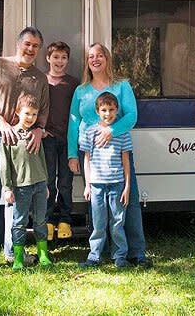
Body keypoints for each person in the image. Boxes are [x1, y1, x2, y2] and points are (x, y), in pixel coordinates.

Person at [68, 42, 152, 268]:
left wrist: (111, 130)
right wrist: (72, 153)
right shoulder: (81, 90)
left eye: (99, 55)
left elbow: (132, 116)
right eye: (90, 56)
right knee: (97, 206)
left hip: (119, 152)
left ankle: (135, 253)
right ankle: (99, 253)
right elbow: (74, 122)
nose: (95, 59)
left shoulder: (121, 85)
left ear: (107, 59)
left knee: (128, 203)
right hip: (92, 156)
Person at [0, 27, 49, 273]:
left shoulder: (40, 77)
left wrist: (38, 130)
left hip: (22, 145)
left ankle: (12, 252)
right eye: (27, 44)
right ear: (18, 44)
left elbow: (44, 111)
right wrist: (1, 121)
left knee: (16, 201)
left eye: (36, 46)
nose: (31, 49)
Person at [80, 92, 131, 268]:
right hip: (96, 185)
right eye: (104, 110)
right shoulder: (90, 132)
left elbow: (126, 161)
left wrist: (127, 187)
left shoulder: (122, 133)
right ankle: (94, 256)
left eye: (111, 110)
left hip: (117, 185)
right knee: (98, 223)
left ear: (117, 111)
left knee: (117, 222)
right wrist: (87, 185)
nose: (107, 114)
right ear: (97, 111)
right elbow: (87, 159)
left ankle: (119, 257)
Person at [1, 94, 52, 270]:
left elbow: (42, 159)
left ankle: (43, 255)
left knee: (40, 221)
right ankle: (18, 258)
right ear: (17, 112)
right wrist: (7, 188)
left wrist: (45, 183)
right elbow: (5, 164)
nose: (30, 118)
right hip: (21, 187)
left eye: (34, 115)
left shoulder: (35, 134)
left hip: (39, 183)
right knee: (19, 222)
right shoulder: (10, 135)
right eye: (27, 113)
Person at [43, 41, 80, 240]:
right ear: (48, 58)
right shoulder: (42, 80)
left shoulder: (73, 83)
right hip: (48, 139)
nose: (59, 61)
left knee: (65, 182)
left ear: (67, 60)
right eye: (55, 57)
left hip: (67, 140)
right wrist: (41, 129)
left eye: (63, 57)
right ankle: (48, 220)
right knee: (48, 181)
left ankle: (65, 219)